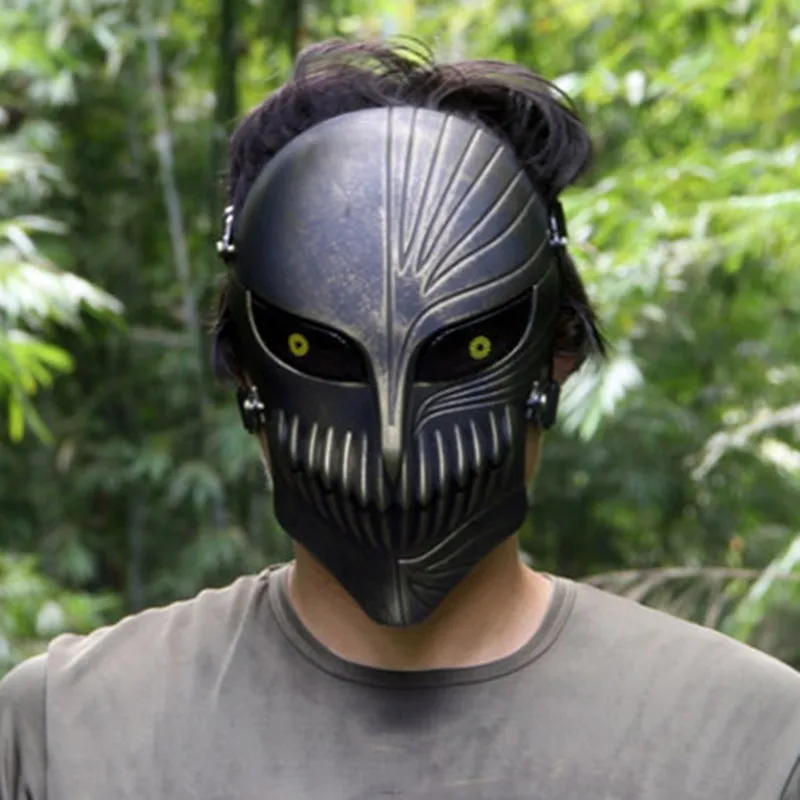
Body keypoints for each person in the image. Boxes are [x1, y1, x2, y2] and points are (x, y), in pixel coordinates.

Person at [1, 38, 799, 800]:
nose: (390, 442)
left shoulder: (755, 744)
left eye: (470, 347)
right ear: (246, 368)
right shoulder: (63, 734)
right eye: (315, 349)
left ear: (556, 353)